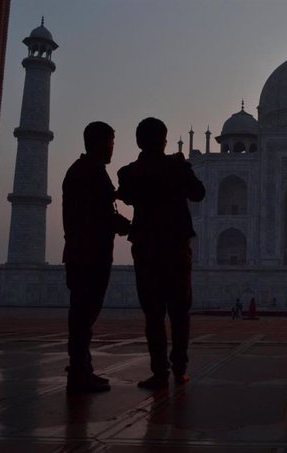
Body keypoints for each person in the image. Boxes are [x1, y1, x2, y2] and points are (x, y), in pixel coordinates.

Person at [117, 117, 205, 390]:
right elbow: (199, 193)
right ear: (164, 140)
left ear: (139, 142)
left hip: (146, 249)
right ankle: (179, 368)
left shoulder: (129, 172)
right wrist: (180, 168)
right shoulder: (177, 167)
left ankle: (159, 372)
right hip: (176, 248)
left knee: (153, 314)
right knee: (179, 313)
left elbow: (125, 196)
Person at [62, 121, 130, 393]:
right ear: (101, 143)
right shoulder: (88, 172)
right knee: (82, 314)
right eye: (111, 142)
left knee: (84, 314)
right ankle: (79, 371)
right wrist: (125, 226)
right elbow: (97, 215)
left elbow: (100, 207)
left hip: (87, 251)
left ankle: (82, 367)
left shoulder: (87, 170)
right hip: (88, 253)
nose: (113, 147)